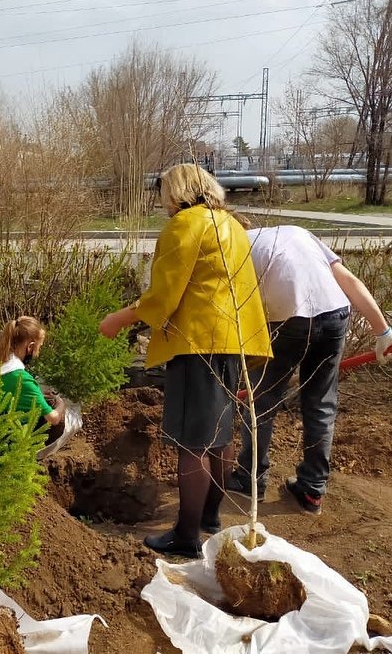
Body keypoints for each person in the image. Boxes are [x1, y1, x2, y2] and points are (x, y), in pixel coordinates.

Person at [99, 163, 271, 558]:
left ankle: (187, 536)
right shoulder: (231, 226)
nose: (163, 202)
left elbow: (163, 296)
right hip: (232, 341)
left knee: (191, 443)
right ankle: (210, 518)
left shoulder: (185, 224)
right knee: (218, 437)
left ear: (176, 192)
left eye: (164, 194)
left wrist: (119, 319)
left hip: (197, 343)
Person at [226, 224, 392, 514]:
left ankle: (249, 480)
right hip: (335, 314)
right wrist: (383, 332)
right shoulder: (298, 233)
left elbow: (241, 309)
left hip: (287, 321)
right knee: (320, 403)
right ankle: (312, 491)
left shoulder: (238, 245)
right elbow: (348, 279)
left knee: (261, 402)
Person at [0, 316, 65, 427]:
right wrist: (61, 404)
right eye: (39, 348)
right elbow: (53, 418)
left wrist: (37, 394)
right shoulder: (22, 379)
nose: (38, 353)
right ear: (30, 347)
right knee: (58, 423)